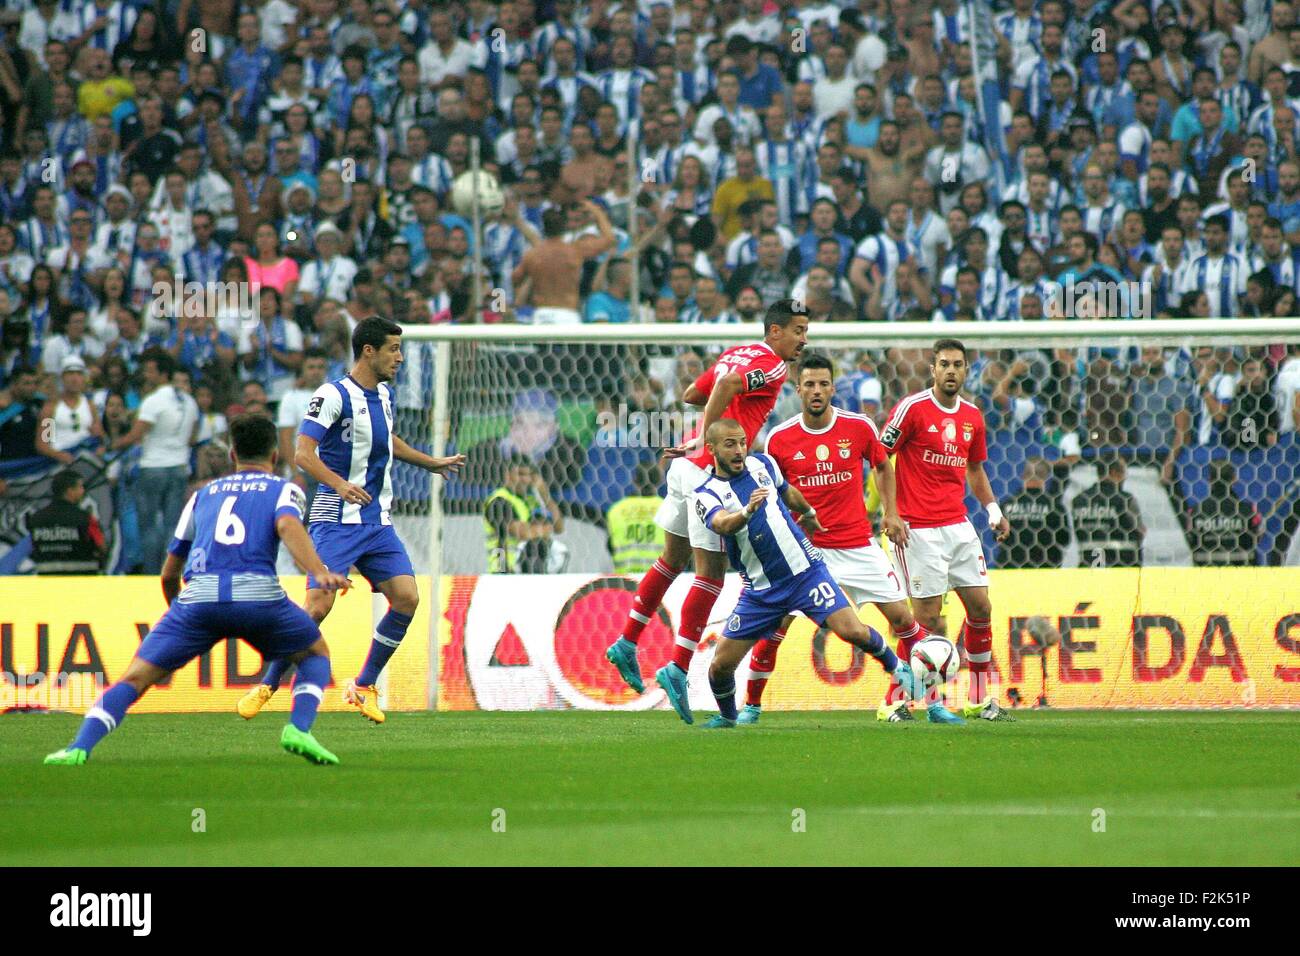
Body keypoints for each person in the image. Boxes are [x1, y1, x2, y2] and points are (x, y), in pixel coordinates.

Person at [44, 415, 351, 767]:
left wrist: (182, 617)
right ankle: (298, 728)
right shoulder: (285, 489)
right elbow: (286, 524)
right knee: (314, 654)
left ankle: (78, 748)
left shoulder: (202, 494)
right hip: (258, 598)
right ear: (275, 456)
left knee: (136, 677)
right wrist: (318, 571)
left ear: (233, 454)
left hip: (198, 599)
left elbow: (169, 571)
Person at [236, 317, 465, 725]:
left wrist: (429, 462)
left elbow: (387, 439)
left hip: (377, 520)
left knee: (408, 598)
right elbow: (303, 454)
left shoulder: (385, 396)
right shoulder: (333, 394)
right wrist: (339, 485)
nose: (400, 357)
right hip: (335, 517)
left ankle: (363, 685)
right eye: (393, 349)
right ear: (368, 351)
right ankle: (268, 685)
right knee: (317, 607)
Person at [604, 299, 808, 724]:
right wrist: (708, 441)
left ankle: (626, 641)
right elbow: (730, 385)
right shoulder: (773, 365)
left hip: (682, 467)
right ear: (775, 332)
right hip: (704, 472)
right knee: (710, 573)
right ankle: (678, 666)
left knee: (671, 560)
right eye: (798, 331)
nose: (803, 340)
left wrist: (703, 431)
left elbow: (694, 393)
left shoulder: (735, 351)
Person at [751, 352, 956, 724]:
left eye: (823, 384)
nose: (816, 391)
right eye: (809, 384)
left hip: (859, 546)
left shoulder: (858, 427)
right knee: (775, 627)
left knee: (905, 621)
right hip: (809, 553)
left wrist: (891, 512)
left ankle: (934, 705)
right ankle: (750, 708)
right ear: (798, 389)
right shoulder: (780, 439)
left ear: (833, 387)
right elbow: (773, 493)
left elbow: (882, 464)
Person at [688, 418, 920, 728]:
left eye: (742, 442)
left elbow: (787, 491)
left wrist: (809, 513)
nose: (740, 450)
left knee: (851, 631)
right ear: (711, 448)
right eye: (730, 444)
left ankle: (898, 668)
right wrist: (746, 511)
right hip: (761, 591)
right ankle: (730, 717)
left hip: (805, 574)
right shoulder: (705, 493)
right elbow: (721, 524)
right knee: (719, 667)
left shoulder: (763, 465)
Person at [879, 339, 1015, 722]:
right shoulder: (912, 409)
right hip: (916, 529)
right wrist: (891, 512)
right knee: (928, 620)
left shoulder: (972, 415)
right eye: (944, 364)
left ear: (967, 369)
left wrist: (992, 509)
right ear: (933, 369)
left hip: (957, 525)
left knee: (981, 607)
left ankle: (977, 697)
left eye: (958, 364)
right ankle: (897, 700)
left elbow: (975, 468)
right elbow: (879, 456)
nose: (951, 370)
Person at [109, 349, 199, 574]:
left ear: (163, 374)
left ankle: (151, 573)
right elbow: (193, 437)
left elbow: (136, 435)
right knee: (172, 525)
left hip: (153, 467)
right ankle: (171, 571)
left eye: (150, 371)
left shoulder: (154, 400)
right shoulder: (188, 400)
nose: (146, 375)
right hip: (179, 467)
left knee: (148, 526)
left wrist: (113, 445)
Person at [511, 201, 615, 325]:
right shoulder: (575, 251)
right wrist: (597, 212)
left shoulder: (533, 255)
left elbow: (515, 279)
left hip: (542, 315)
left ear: (543, 226)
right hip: (567, 314)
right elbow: (609, 239)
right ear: (563, 226)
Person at [483, 454, 565, 573]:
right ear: (507, 475)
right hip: (502, 570)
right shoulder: (499, 501)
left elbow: (558, 527)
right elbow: (525, 534)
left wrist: (545, 495)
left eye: (529, 475)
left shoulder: (530, 501)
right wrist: (544, 530)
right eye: (520, 474)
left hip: (527, 569)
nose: (526, 479)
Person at [26, 469, 106, 575]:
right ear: (70, 491)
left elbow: (33, 548)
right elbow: (101, 546)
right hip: (81, 582)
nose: (83, 491)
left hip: (48, 584)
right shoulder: (85, 518)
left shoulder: (35, 518)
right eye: (80, 487)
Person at [1071, 458, 1145, 568]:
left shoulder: (1078, 500)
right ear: (1114, 473)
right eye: (1124, 473)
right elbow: (1140, 531)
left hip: (1089, 565)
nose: (1125, 477)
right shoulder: (1126, 499)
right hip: (1123, 566)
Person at [998, 458, 1070, 569]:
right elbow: (1065, 538)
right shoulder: (1054, 506)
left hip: (1010, 569)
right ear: (1046, 476)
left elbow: (998, 536)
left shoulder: (1006, 505)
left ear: (1023, 475)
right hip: (1044, 569)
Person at [1187, 459, 1261, 566]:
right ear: (1234, 479)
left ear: (1209, 480)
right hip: (1243, 573)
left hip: (1206, 575)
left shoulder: (1194, 511)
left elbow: (1191, 540)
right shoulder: (1250, 510)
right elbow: (1258, 535)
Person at [605, 460, 665, 577]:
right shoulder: (667, 507)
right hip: (659, 578)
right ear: (659, 481)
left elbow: (610, 546)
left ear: (634, 480)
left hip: (625, 579)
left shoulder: (616, 509)